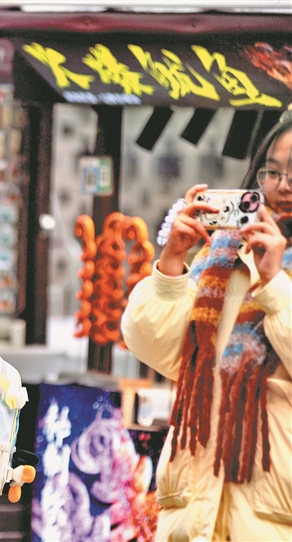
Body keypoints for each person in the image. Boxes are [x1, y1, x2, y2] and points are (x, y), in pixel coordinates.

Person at [121, 110, 292, 541]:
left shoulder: (266, 267)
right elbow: (158, 348)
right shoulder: (225, 252)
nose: (283, 185)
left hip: (272, 513)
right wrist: (172, 262)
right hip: (195, 509)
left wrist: (274, 283)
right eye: (273, 171)